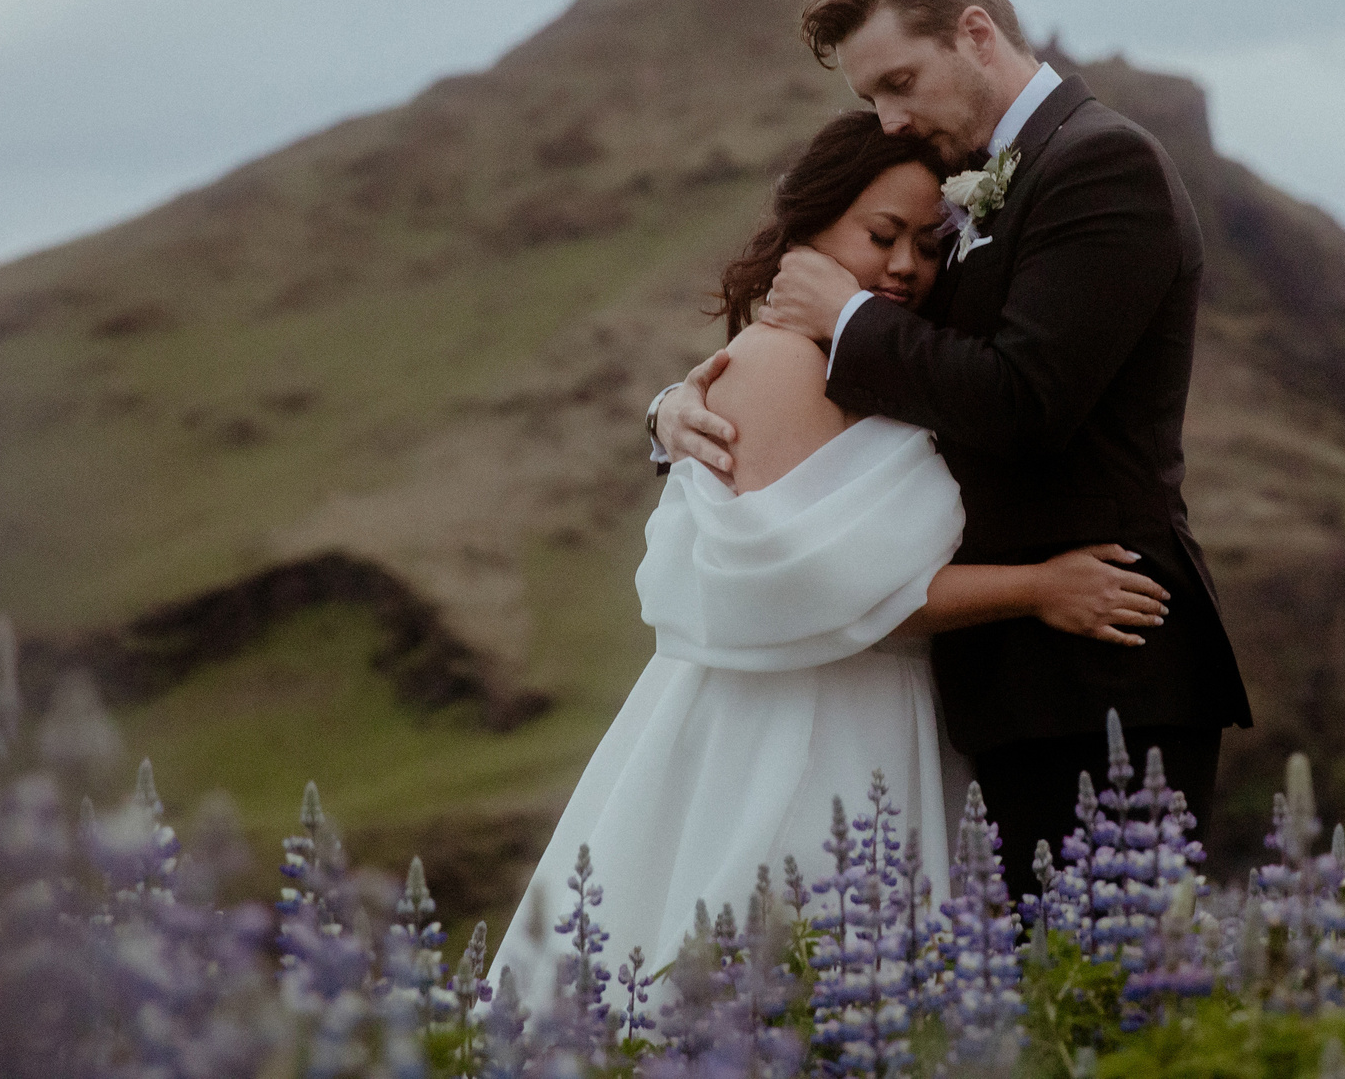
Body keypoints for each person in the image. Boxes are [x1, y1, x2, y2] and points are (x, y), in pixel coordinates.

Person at [496, 112, 1169, 988]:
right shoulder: (779, 363)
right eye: (880, 235)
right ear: (808, 229)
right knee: (774, 965)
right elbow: (824, 586)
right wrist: (1039, 587)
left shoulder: (887, 364)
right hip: (790, 727)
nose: (904, 267)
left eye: (930, 247)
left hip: (889, 712)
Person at [653, 0, 1254, 898]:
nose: (889, 120)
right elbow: (869, 405)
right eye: (869, 99)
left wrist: (844, 317)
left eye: (899, 83)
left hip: (1099, 667)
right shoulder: (975, 186)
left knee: (1110, 1014)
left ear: (975, 33)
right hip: (994, 685)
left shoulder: (1102, 165)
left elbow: (1023, 401)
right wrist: (678, 406)